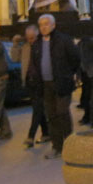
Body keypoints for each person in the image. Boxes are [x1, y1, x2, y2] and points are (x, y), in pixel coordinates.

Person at [27, 14, 80, 159]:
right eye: (41, 25)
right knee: (51, 116)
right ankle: (57, 147)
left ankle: (70, 145)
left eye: (46, 24)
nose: (43, 27)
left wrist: (69, 74)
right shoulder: (37, 44)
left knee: (62, 112)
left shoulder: (63, 40)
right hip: (46, 85)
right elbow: (36, 64)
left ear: (53, 25)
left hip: (62, 83)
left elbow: (75, 58)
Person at [11, 25, 49, 147]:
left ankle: (30, 136)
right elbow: (15, 58)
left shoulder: (43, 45)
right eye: (28, 38)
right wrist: (15, 44)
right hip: (29, 81)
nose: (30, 40)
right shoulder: (26, 47)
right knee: (38, 108)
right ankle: (46, 133)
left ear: (37, 35)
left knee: (37, 108)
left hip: (41, 81)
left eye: (32, 37)